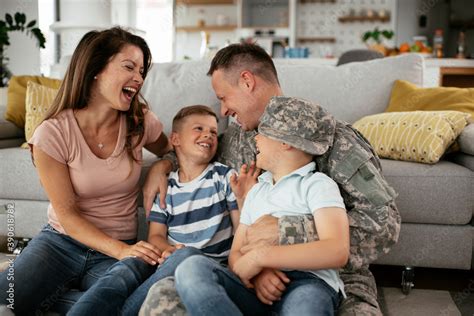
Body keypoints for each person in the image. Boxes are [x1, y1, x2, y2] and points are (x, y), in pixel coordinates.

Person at [143, 43, 400, 315]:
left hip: (330, 276)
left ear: (246, 82)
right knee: (165, 300)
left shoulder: (331, 139)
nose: (222, 111)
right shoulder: (235, 140)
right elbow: (193, 153)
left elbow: (384, 225)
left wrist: (286, 233)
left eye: (224, 97)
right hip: (247, 270)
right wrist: (163, 165)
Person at [0, 27, 171, 315]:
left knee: (141, 303)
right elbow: (67, 216)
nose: (139, 79)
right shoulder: (52, 134)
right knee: (8, 300)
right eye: (129, 67)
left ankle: (54, 297)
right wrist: (122, 252)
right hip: (60, 243)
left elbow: (172, 150)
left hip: (116, 249)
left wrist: (161, 166)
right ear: (95, 70)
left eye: (142, 71)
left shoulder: (139, 123)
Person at [175, 96, 350, 315]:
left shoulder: (317, 184)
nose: (255, 138)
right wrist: (258, 273)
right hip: (253, 287)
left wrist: (261, 257)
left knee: (306, 307)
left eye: (263, 132)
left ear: (285, 141)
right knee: (191, 269)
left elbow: (336, 250)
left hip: (308, 283)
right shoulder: (257, 191)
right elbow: (236, 255)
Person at [67, 105, 240, 315]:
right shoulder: (166, 187)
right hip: (170, 267)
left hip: (212, 270)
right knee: (134, 265)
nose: (208, 135)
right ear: (175, 139)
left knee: (188, 255)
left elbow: (241, 228)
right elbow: (156, 236)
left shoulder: (224, 177)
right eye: (199, 128)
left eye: (213, 131)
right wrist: (168, 251)